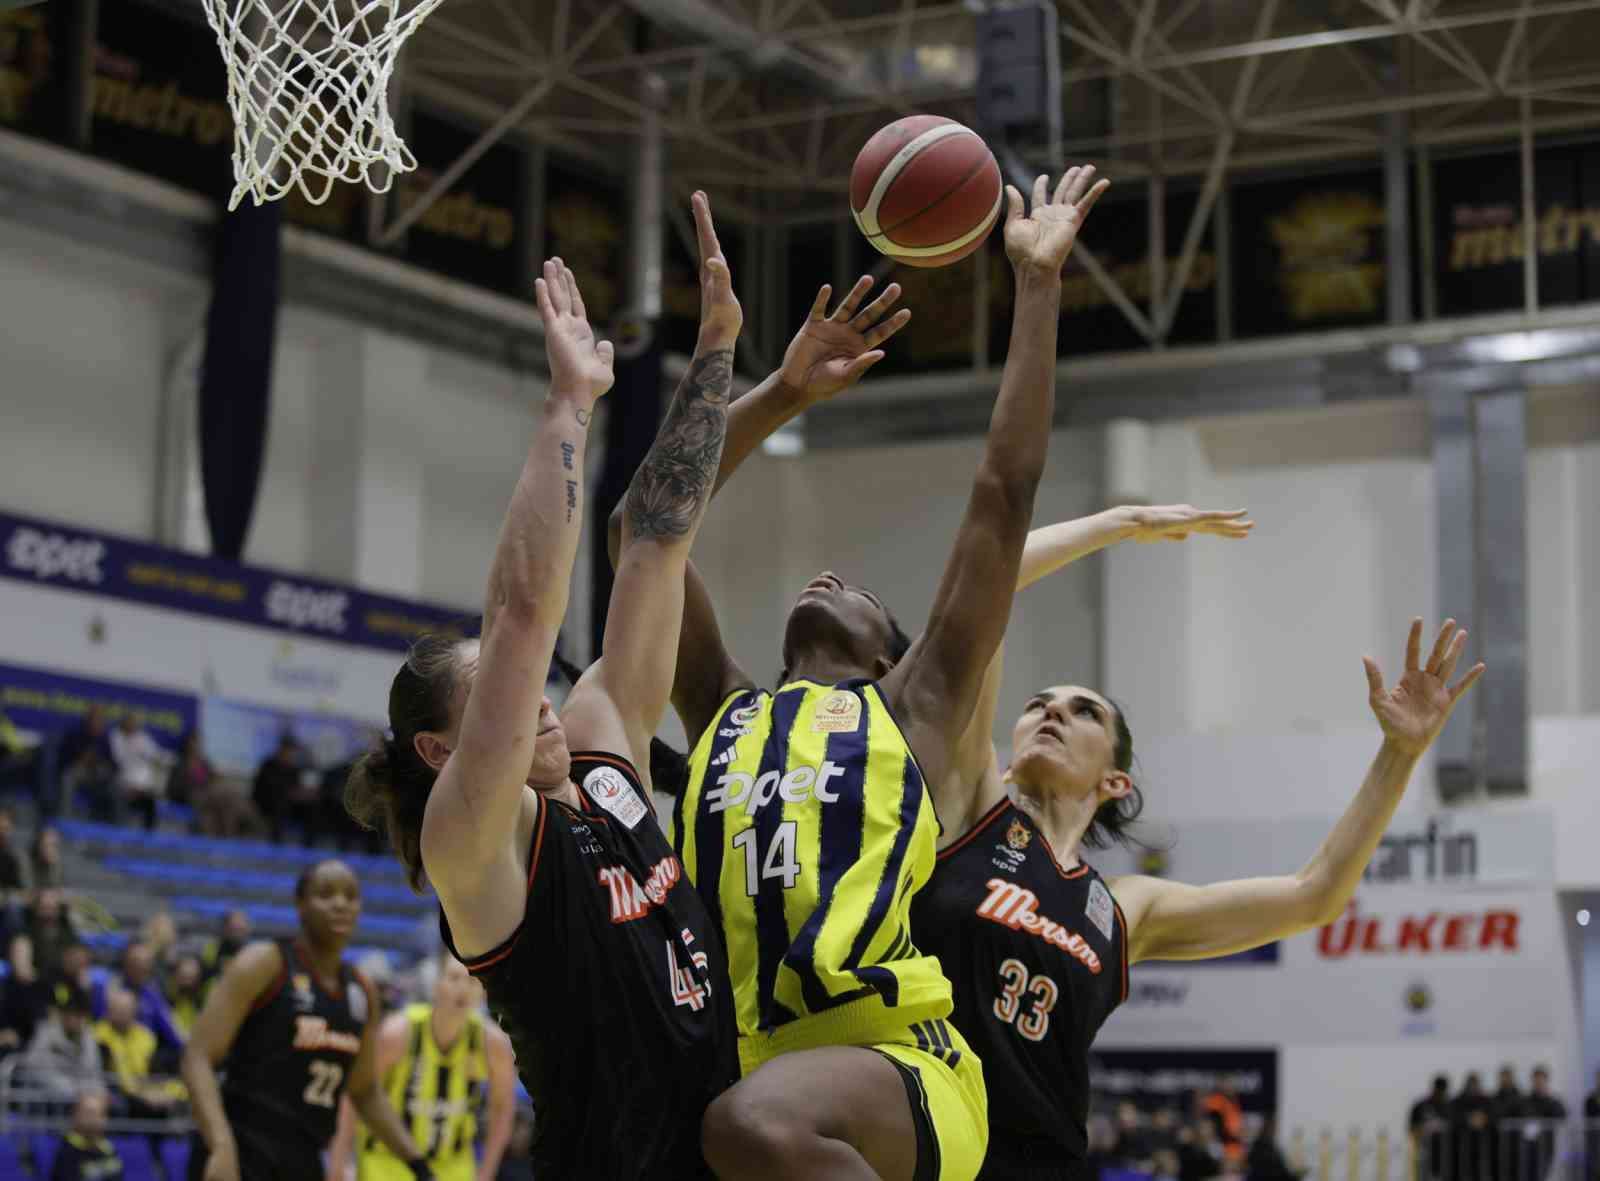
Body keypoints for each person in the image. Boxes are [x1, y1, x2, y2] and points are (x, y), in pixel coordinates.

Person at [638, 168, 1107, 1181]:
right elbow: (644, 533)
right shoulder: (725, 705)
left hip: (903, 1065)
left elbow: (1002, 491)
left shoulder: (915, 706)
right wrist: (779, 391)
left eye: (854, 587)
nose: (828, 574)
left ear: (889, 649)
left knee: (749, 1125)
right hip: (750, 1060)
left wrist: (1035, 285)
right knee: (728, 1120)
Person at [342, 209, 740, 1177]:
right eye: (498, 696)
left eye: (534, 689)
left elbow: (656, 543)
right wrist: (569, 404)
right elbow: (523, 611)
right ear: (442, 749)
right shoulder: (473, 839)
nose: (544, 698)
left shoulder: (604, 755)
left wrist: (717, 350)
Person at [180, 859, 429, 1181]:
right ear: (301, 904)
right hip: (242, 1147)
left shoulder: (361, 989)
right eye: (326, 894)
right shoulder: (266, 963)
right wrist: (220, 1144)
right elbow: (197, 1056)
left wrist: (418, 1165)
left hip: (304, 1158)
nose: (340, 903)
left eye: (350, 896)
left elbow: (365, 1090)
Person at [326, 957, 516, 1181]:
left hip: (453, 1164)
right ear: (436, 985)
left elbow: (502, 1108)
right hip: (388, 1161)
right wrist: (339, 1162)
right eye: (454, 978)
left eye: (472, 981)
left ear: (483, 992)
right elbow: (357, 1093)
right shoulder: (398, 1033)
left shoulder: (493, 1044)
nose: (463, 988)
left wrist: (486, 1172)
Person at [23, 983, 102, 1108]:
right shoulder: (46, 1031)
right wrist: (72, 1089)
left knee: (106, 1100)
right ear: (63, 1015)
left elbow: (93, 1070)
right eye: (72, 1015)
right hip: (52, 1091)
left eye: (80, 1016)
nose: (76, 1020)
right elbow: (33, 1064)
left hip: (82, 1090)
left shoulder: (88, 1036)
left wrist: (97, 1092)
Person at [108, 713, 173, 831]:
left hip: (141, 785)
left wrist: (168, 759)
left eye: (135, 723)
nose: (133, 725)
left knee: (151, 798)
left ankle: (148, 837)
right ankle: (118, 831)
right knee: (127, 794)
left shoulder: (141, 737)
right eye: (130, 722)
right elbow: (119, 760)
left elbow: (155, 753)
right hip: (122, 781)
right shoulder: (115, 736)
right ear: (124, 722)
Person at [48, 1088, 123, 1181]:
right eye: (89, 1113)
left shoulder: (108, 1148)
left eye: (100, 1114)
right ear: (75, 1116)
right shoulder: (66, 1152)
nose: (94, 1120)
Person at [0, 933, 52, 1056]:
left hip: (39, 1045)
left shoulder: (43, 985)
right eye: (15, 951)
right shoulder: (4, 986)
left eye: (22, 951)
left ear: (31, 953)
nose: (19, 956)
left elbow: (51, 1017)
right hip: (10, 1046)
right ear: (9, 955)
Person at [31, 825, 65, 891]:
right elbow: (26, 890)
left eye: (54, 846)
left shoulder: (58, 866)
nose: (49, 850)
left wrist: (53, 866)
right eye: (45, 845)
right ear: (37, 846)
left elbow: (58, 889)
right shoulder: (26, 862)